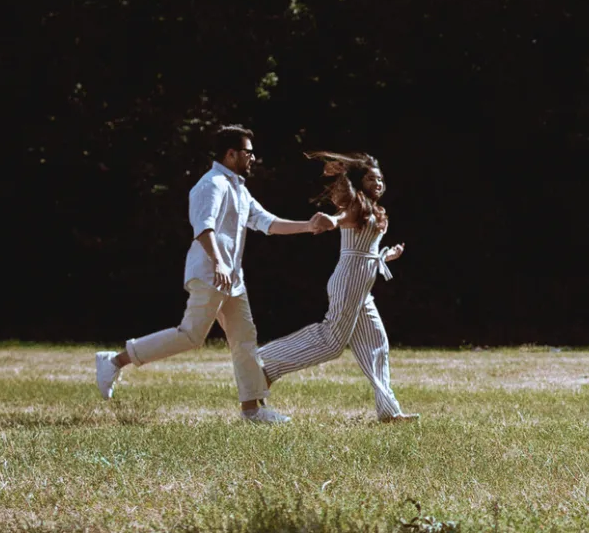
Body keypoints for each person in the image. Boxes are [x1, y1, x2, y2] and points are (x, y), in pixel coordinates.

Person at [94, 125, 339, 422]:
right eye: (248, 152)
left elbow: (267, 222)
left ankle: (251, 410)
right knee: (191, 335)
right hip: (211, 274)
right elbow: (204, 228)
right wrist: (220, 263)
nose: (253, 158)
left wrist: (309, 226)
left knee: (244, 338)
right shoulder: (211, 184)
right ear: (231, 153)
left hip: (232, 280)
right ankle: (115, 360)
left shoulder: (238, 187)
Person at [255, 151, 416, 421]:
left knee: (377, 342)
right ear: (361, 182)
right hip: (350, 278)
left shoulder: (375, 209)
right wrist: (330, 221)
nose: (377, 183)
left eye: (380, 179)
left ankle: (389, 411)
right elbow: (341, 219)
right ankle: (261, 362)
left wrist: (388, 256)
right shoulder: (357, 205)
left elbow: (367, 249)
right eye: (371, 179)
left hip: (362, 286)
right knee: (332, 343)